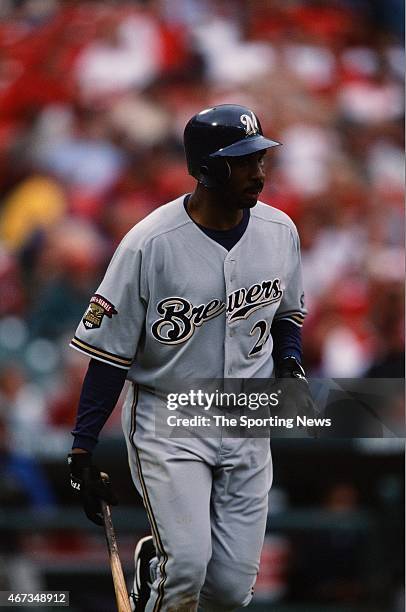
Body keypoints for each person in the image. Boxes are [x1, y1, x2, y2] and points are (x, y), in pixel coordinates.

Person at [68, 104, 315, 611]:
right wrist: (82, 447)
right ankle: (164, 572)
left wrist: (289, 364)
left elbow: (288, 313)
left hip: (248, 415)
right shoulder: (148, 244)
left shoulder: (279, 230)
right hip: (170, 415)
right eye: (242, 161)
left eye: (260, 158)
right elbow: (109, 353)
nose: (258, 171)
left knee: (229, 590)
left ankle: (155, 568)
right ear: (206, 169)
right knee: (186, 569)